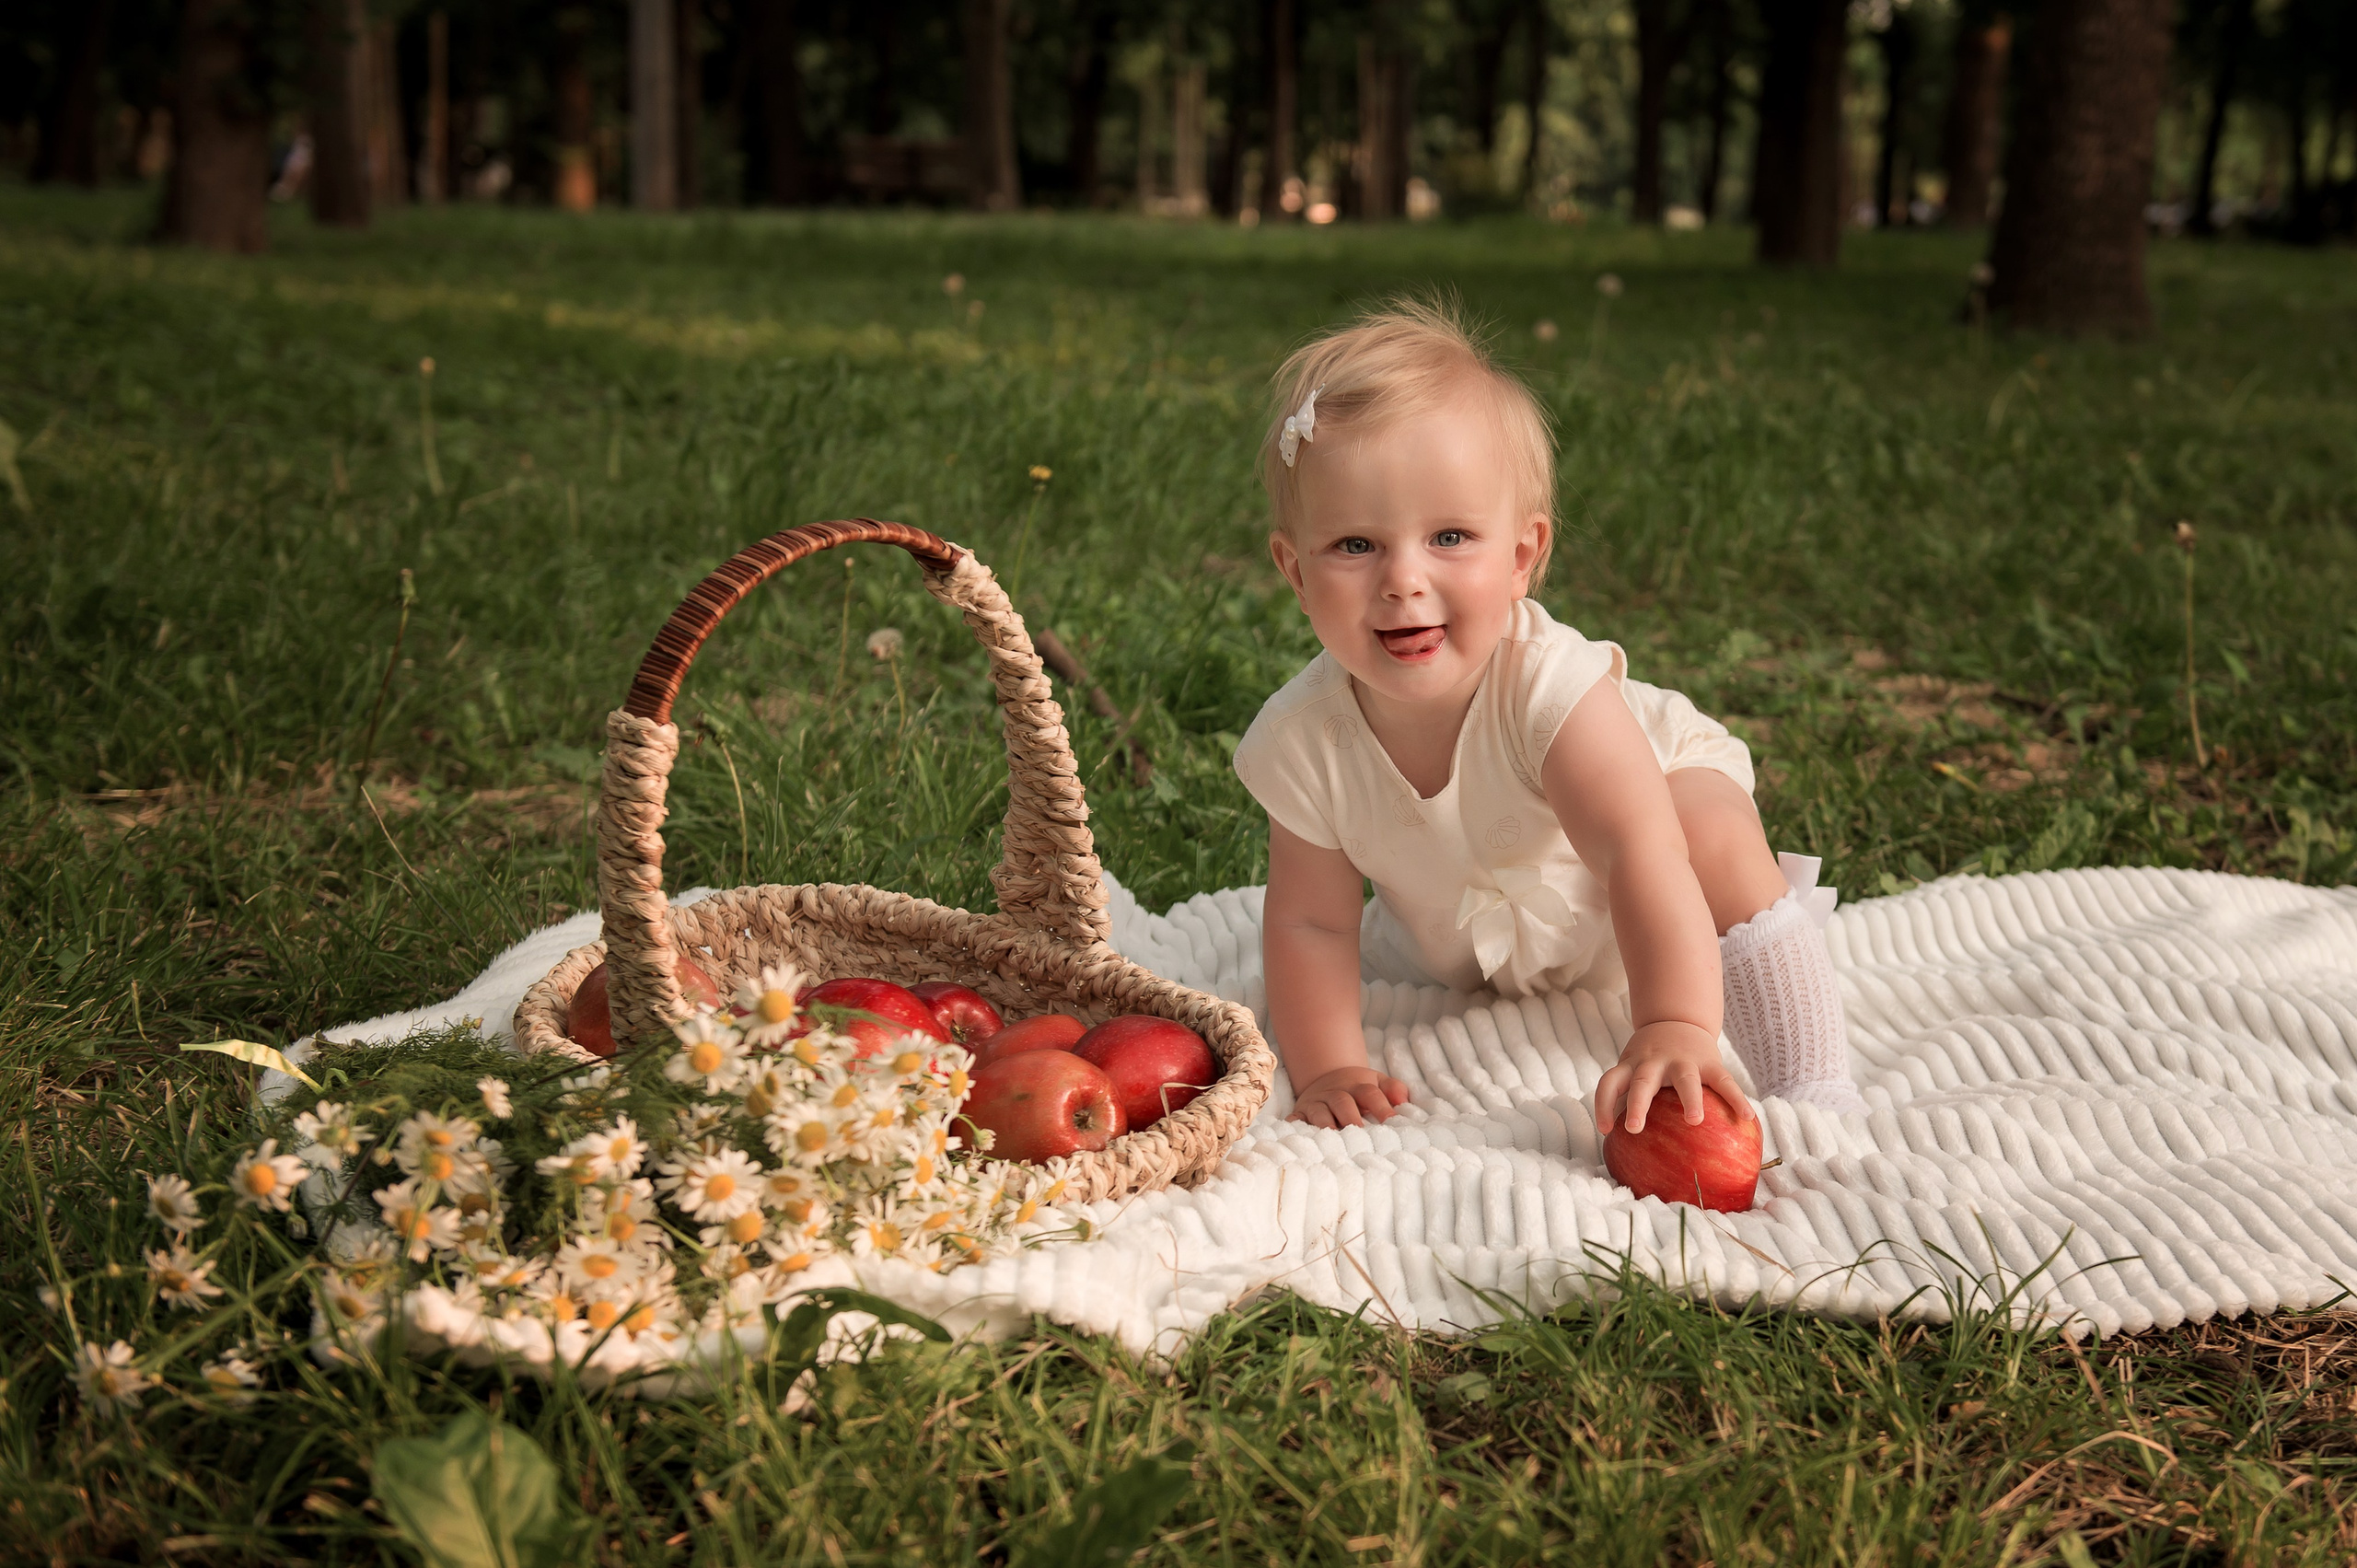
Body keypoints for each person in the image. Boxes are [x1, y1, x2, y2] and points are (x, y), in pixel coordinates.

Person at [1232, 299, 1866, 1136]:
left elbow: (1638, 849)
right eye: (1355, 545)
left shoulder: (1546, 687)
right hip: (1466, 930)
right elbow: (1311, 919)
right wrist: (1331, 1067)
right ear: (1295, 570)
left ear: (1522, 557)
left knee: (1701, 822)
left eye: (1450, 536)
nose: (1403, 580)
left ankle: (1812, 1077)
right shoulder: (1306, 740)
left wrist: (1672, 1021)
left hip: (1640, 871)